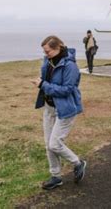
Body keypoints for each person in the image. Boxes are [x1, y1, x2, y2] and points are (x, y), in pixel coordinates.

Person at [32, 35, 86, 190]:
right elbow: (46, 79)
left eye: (48, 51)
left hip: (65, 109)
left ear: (57, 48)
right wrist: (42, 83)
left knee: (55, 144)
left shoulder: (70, 66)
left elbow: (67, 90)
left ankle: (77, 163)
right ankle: (56, 177)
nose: (45, 54)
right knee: (48, 145)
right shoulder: (47, 61)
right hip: (49, 108)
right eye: (44, 51)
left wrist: (43, 85)